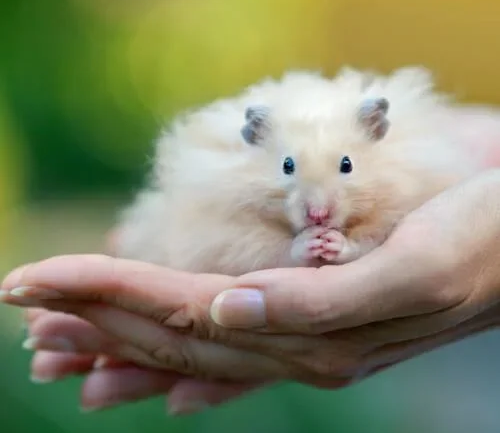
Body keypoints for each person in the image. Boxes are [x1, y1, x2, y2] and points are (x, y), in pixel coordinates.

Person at [2, 110, 500, 416]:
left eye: (345, 169)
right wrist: (291, 253)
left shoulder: (413, 166)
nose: (318, 207)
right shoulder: (218, 195)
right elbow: (215, 247)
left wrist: (351, 251)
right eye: (288, 169)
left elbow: (399, 225)